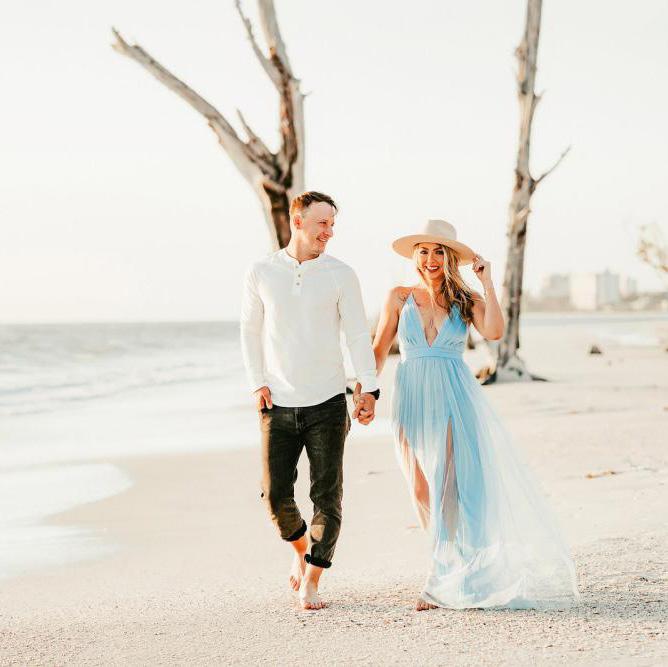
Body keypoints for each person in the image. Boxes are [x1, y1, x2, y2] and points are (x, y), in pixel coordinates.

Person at [368, 219, 579, 610]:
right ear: (415, 256)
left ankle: (440, 575)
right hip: (411, 397)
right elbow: (379, 349)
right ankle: (451, 563)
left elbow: (495, 331)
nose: (430, 259)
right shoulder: (398, 297)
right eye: (424, 251)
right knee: (420, 488)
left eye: (439, 252)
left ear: (451, 258)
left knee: (449, 486)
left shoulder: (465, 300)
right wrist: (365, 391)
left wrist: (487, 283)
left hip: (453, 395)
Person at [240, 191, 379, 610]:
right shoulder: (262, 271)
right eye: (322, 223)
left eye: (332, 224)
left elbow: (357, 333)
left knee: (327, 496)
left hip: (328, 402)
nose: (329, 232)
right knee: (274, 495)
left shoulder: (341, 274)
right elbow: (250, 330)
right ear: (297, 221)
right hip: (277, 402)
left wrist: (368, 387)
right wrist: (257, 382)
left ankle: (313, 580)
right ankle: (301, 550)